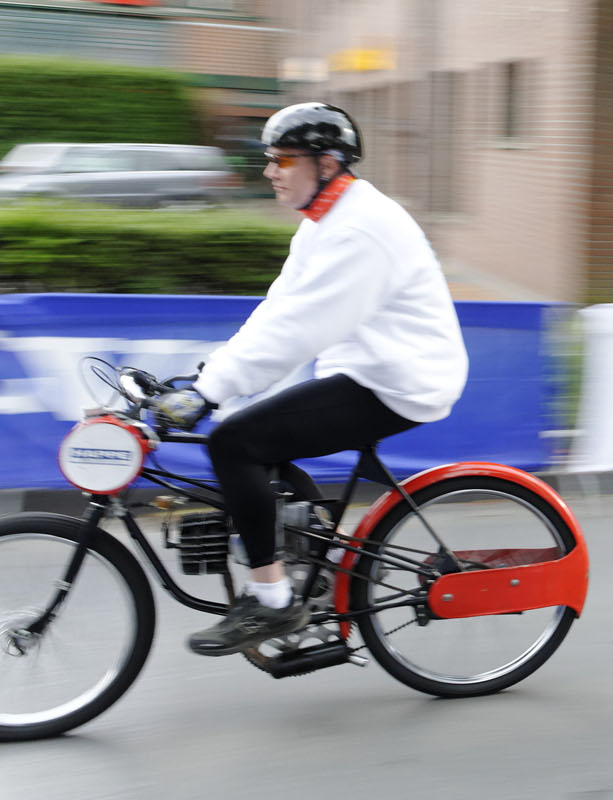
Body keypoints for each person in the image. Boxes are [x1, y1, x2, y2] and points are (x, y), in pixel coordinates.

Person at [154, 102, 469, 656]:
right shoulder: (327, 221)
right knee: (251, 432)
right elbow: (279, 310)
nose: (269, 171)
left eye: (282, 159)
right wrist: (206, 378)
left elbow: (299, 330)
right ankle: (316, 567)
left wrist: (208, 394)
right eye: (268, 160)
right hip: (368, 366)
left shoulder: (359, 232)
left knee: (235, 443)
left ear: (326, 164)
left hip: (399, 381)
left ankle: (271, 602)